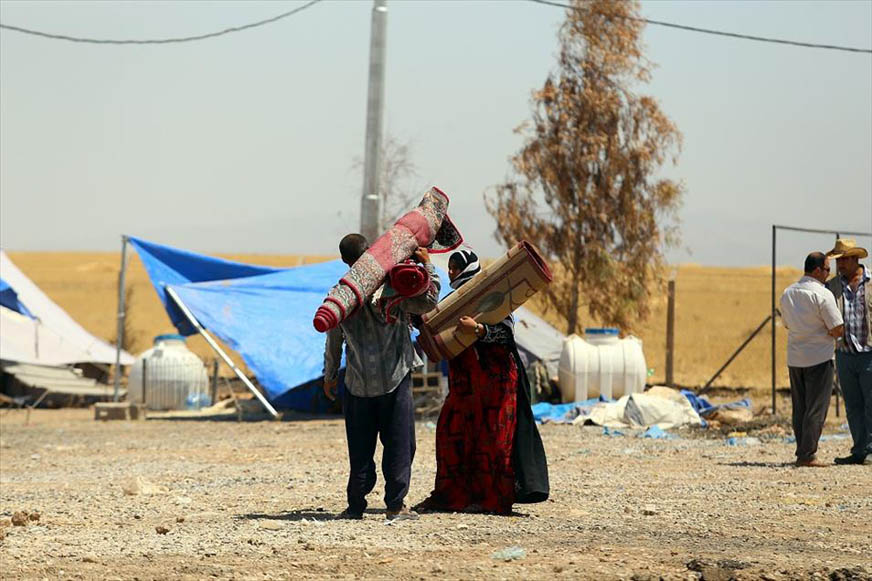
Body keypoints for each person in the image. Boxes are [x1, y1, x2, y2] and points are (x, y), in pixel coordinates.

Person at [415, 249, 549, 514]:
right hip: (465, 386)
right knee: (451, 435)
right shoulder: (453, 300)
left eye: (455, 267)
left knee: (494, 442)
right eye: (450, 267)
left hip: (496, 386)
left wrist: (478, 329)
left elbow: (505, 334)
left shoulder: (492, 294)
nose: (452, 271)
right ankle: (450, 496)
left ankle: (493, 500)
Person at [322, 233, 441, 520]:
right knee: (400, 444)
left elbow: (333, 338)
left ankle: (355, 506)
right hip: (394, 379)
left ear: (344, 261)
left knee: (360, 448)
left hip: (358, 382)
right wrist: (429, 267)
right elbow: (428, 302)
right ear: (370, 253)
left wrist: (329, 375)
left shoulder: (340, 295)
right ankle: (395, 505)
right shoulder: (393, 288)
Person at [779, 252, 844, 467]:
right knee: (817, 407)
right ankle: (807, 455)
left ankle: (802, 450)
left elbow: (787, 324)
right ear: (817, 270)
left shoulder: (787, 293)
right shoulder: (823, 294)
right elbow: (837, 328)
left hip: (796, 357)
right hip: (820, 357)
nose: (828, 274)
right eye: (827, 269)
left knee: (801, 407)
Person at [825, 239, 872, 466]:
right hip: (844, 354)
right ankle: (860, 450)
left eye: (843, 259)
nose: (840, 264)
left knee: (871, 403)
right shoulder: (833, 286)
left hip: (869, 353)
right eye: (838, 260)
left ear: (855, 259)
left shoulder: (871, 283)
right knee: (853, 406)